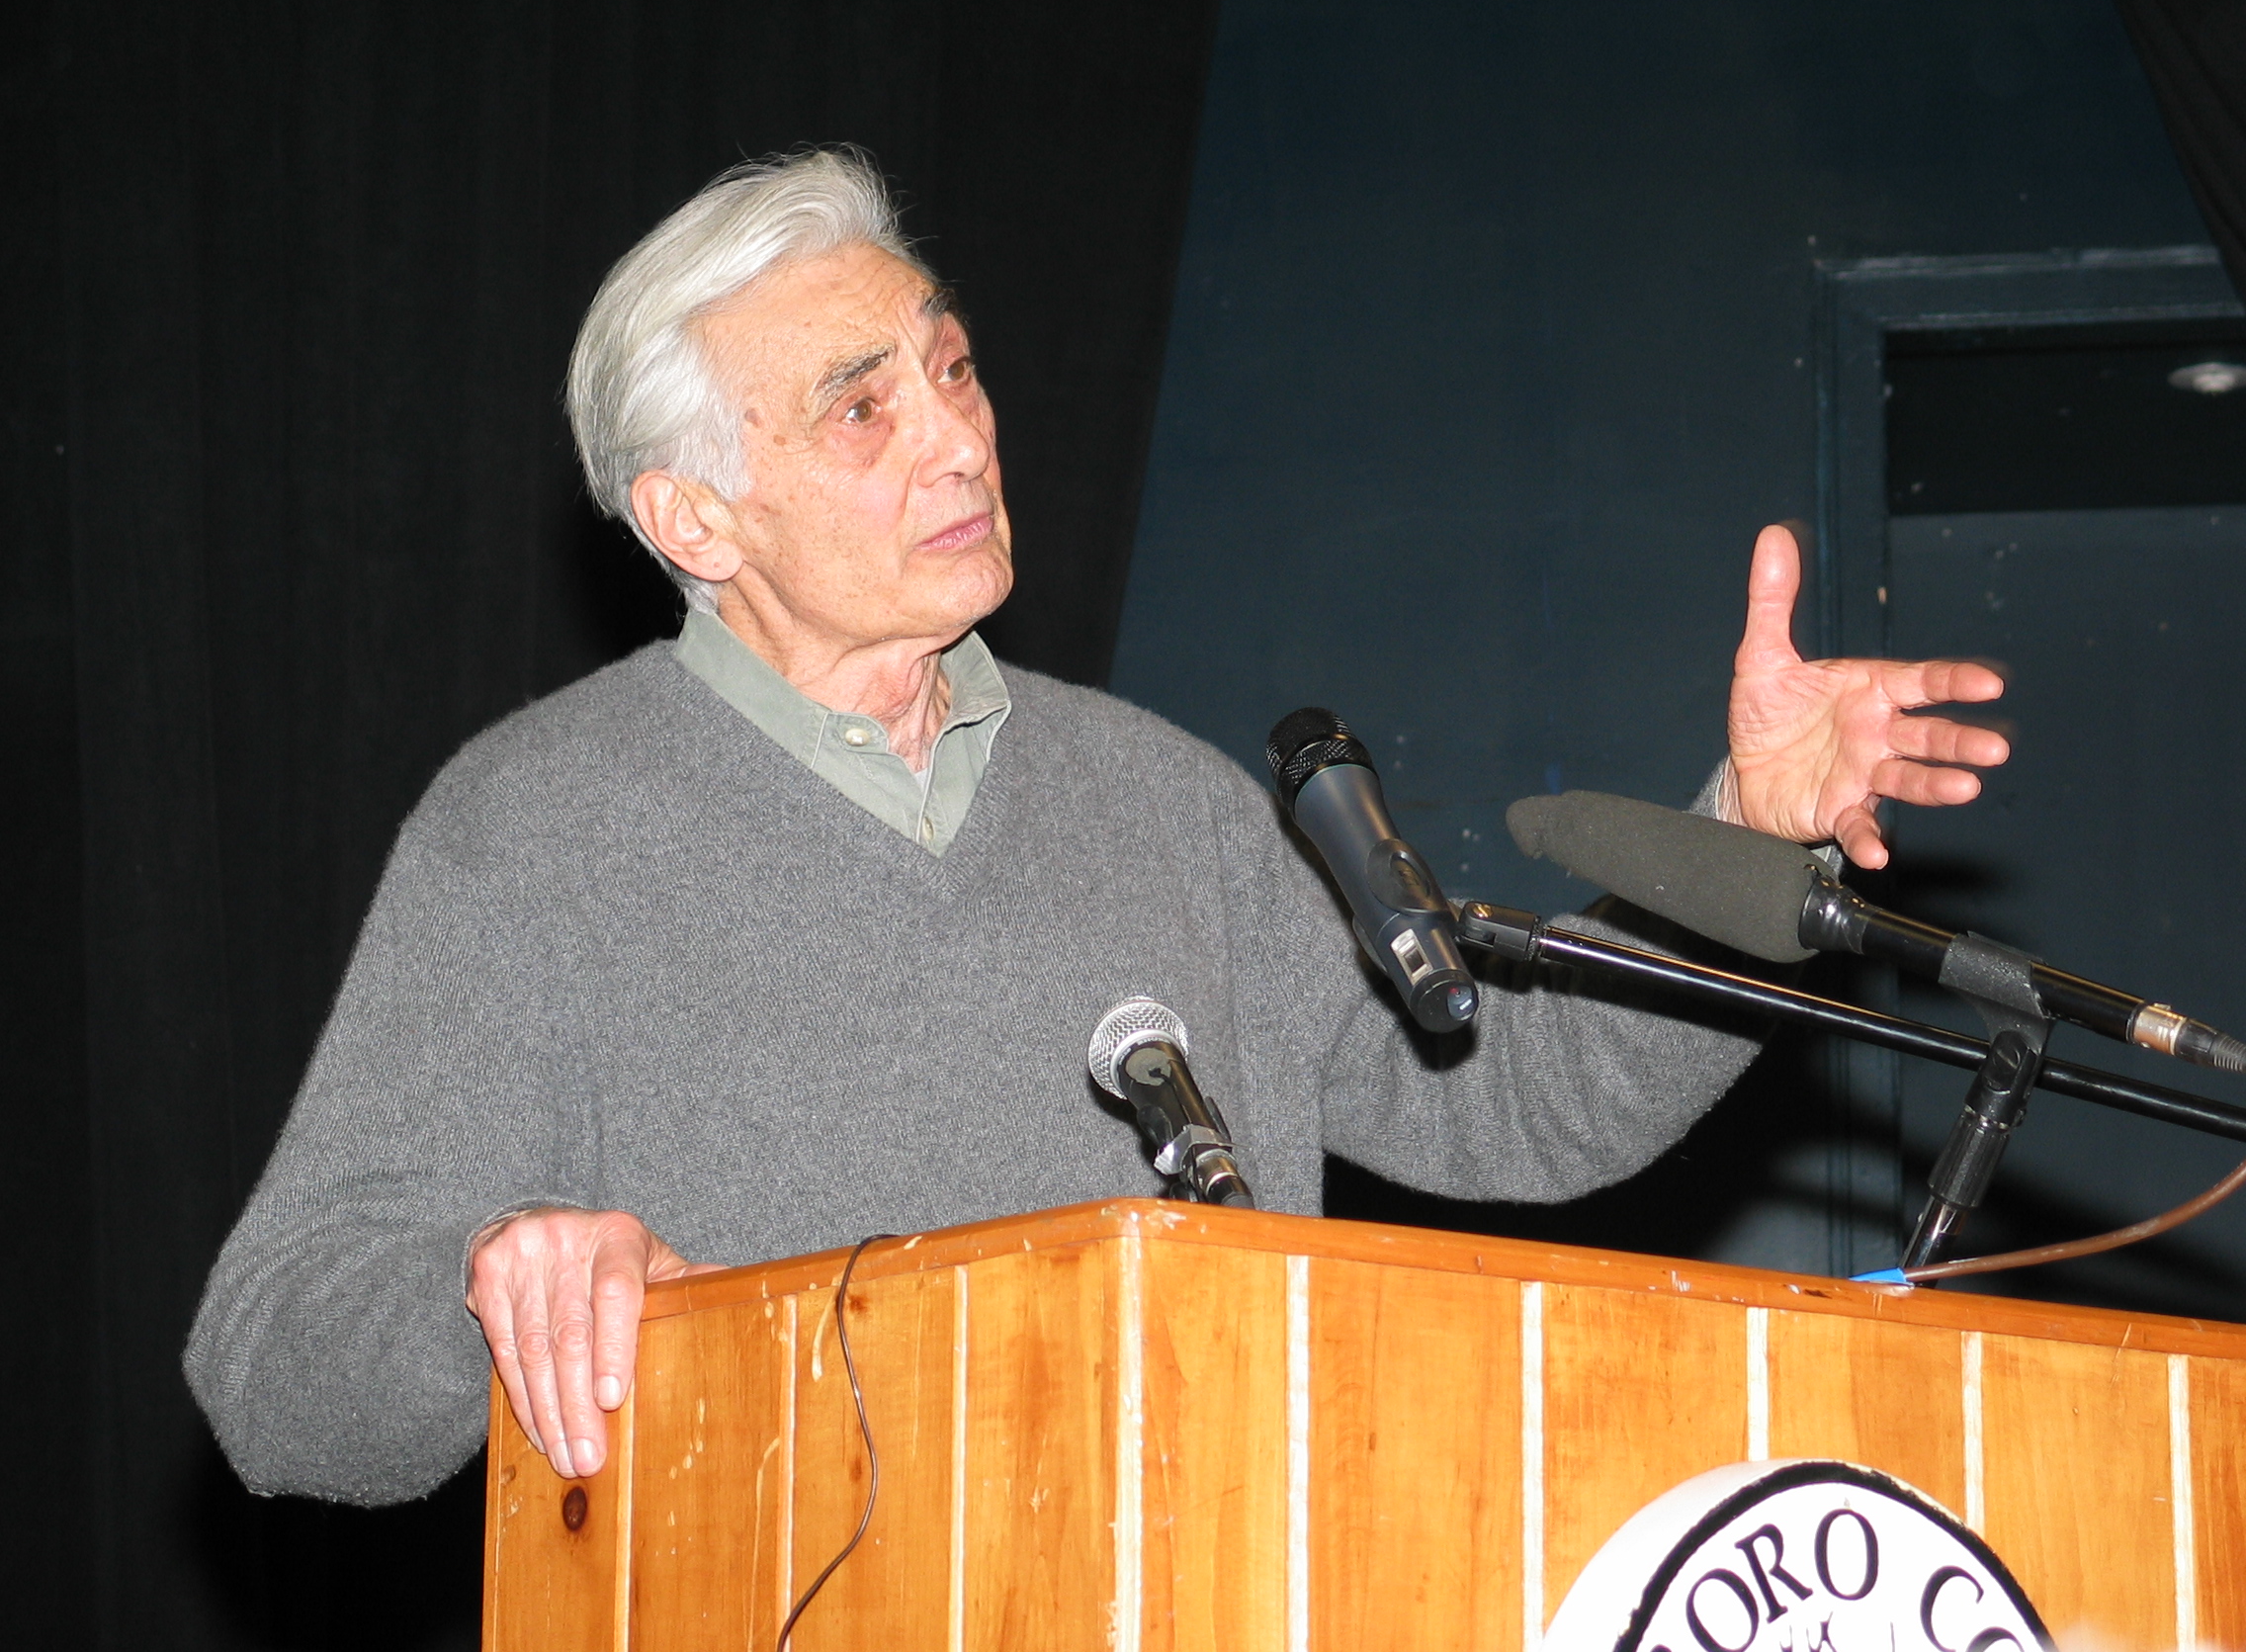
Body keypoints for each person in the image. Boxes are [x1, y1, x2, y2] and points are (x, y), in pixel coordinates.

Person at [184, 149, 2008, 1506]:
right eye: (861, 405)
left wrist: (1749, 841)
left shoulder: (1163, 802)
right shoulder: (531, 835)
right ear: (697, 518)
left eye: (954, 369)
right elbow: (267, 1369)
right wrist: (487, 1287)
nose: (959, 439)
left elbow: (1514, 1101)